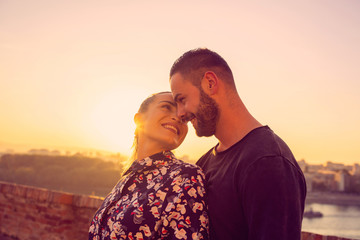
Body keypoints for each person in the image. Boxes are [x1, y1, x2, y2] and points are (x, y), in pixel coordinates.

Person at [169, 48, 307, 240]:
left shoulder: (268, 162)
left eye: (182, 100)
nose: (180, 114)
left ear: (210, 83)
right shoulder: (203, 164)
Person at [89, 92, 209, 240]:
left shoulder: (184, 176)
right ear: (139, 119)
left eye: (184, 118)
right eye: (166, 107)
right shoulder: (127, 179)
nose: (178, 117)